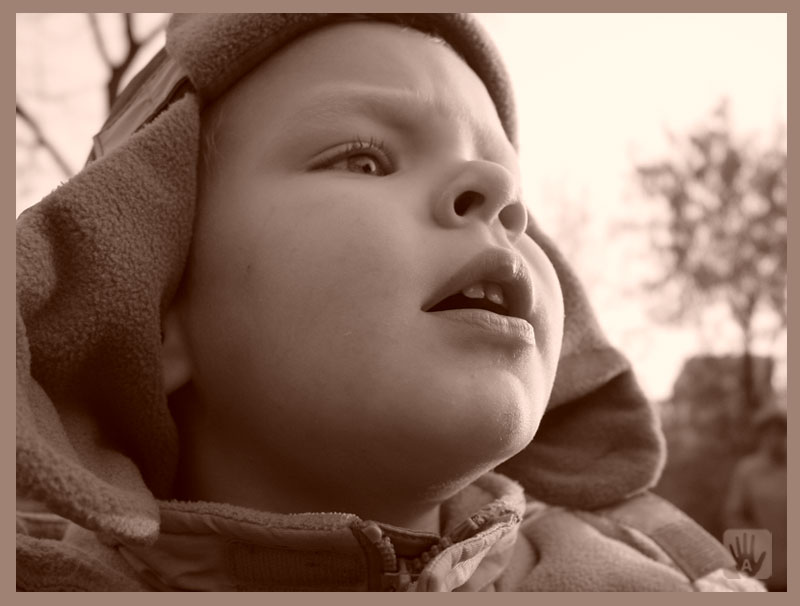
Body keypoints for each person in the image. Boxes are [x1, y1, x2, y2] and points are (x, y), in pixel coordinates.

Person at [16, 13, 764, 591]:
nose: (501, 198)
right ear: (152, 304)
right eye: (365, 158)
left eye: (509, 185)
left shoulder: (664, 564)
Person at [724, 408, 787, 591]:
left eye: (781, 433)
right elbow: (733, 514)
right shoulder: (747, 471)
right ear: (761, 436)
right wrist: (753, 548)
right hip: (765, 563)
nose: (775, 440)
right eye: (769, 434)